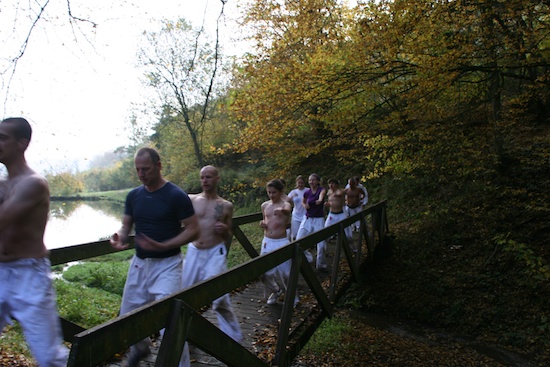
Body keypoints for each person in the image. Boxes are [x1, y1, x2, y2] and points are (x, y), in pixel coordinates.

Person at [110, 147, 200, 367]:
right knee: (128, 315)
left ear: (159, 166)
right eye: (138, 169)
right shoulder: (134, 196)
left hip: (168, 265)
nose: (141, 174)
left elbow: (193, 229)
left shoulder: (176, 195)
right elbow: (126, 225)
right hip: (140, 264)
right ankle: (140, 347)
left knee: (169, 321)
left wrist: (163, 245)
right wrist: (120, 237)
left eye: (146, 169)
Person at [0, 117, 69, 366]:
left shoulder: (34, 184)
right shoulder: (4, 184)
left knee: (49, 356)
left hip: (29, 274)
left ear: (22, 143)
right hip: (0, 271)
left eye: (2, 138)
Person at [179, 165, 242, 367]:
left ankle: (234, 338)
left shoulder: (225, 206)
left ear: (217, 178)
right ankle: (189, 335)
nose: (204, 180)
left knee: (219, 297)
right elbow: (177, 217)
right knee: (186, 296)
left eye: (208, 177)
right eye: (202, 177)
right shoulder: (191, 200)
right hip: (195, 251)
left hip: (215, 252)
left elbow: (229, 233)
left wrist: (225, 229)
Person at [259, 179, 294, 305]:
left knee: (286, 274)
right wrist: (263, 224)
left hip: (281, 241)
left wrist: (282, 211)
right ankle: (276, 290)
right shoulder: (265, 205)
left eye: (274, 192)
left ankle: (292, 296)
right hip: (267, 241)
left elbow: (288, 210)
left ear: (280, 192)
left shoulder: (285, 204)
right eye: (269, 192)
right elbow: (265, 220)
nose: (271, 195)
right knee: (264, 273)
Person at [296, 173, 328, 271]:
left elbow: (322, 196)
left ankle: (321, 265)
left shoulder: (321, 190)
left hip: (318, 219)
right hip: (307, 218)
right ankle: (307, 259)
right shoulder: (307, 192)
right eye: (310, 180)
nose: (311, 182)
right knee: (298, 240)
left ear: (318, 181)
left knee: (321, 244)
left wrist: (320, 200)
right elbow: (303, 201)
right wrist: (304, 205)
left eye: (313, 180)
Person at [325, 178, 352, 243]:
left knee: (347, 234)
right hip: (331, 214)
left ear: (336, 185)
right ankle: (325, 246)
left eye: (333, 183)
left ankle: (353, 248)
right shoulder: (329, 192)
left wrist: (337, 194)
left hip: (340, 214)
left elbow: (341, 192)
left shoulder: (340, 191)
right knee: (326, 230)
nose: (331, 185)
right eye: (330, 183)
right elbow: (330, 201)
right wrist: (328, 204)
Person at [287, 175, 307, 241]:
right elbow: (286, 201)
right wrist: (291, 197)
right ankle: (294, 249)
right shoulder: (293, 192)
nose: (300, 184)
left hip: (305, 215)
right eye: (299, 183)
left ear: (304, 183)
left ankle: (305, 249)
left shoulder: (308, 191)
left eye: (302, 183)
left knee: (304, 234)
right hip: (296, 215)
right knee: (294, 234)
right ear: (296, 183)